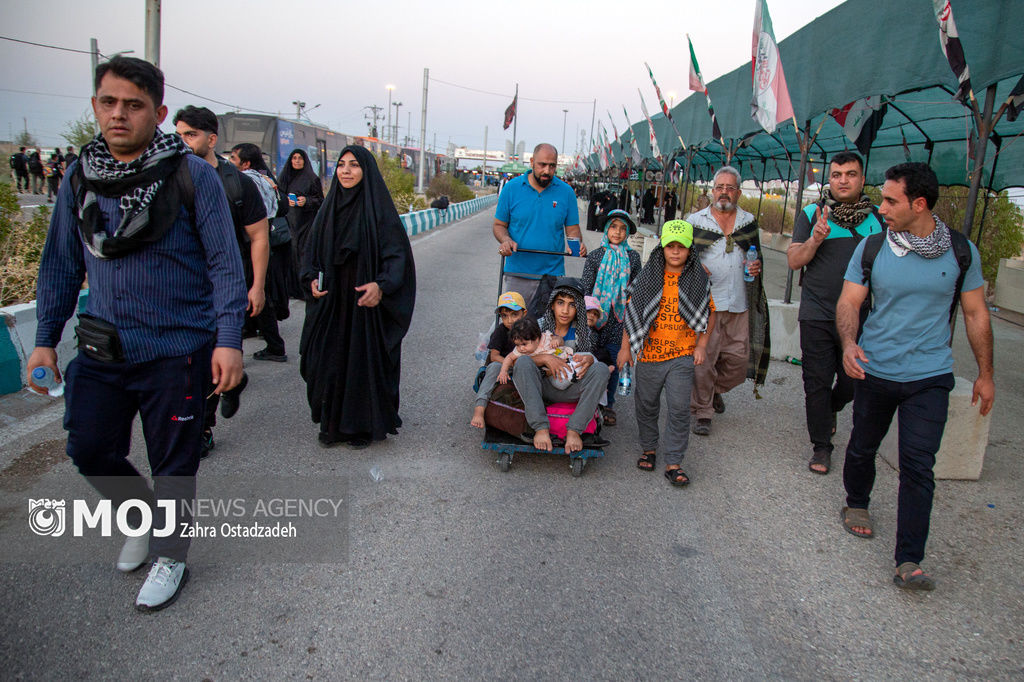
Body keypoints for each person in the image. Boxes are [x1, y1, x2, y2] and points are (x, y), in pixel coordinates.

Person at [28, 56, 246, 611]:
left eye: (134, 105)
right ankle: (142, 518)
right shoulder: (80, 177)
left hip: (178, 350)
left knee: (175, 463)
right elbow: (59, 263)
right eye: (108, 102)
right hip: (103, 347)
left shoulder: (191, 176)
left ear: (159, 112)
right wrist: (46, 337)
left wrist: (228, 341)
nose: (119, 115)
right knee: (89, 447)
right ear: (96, 106)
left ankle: (171, 556)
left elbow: (225, 263)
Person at [836, 162, 994, 591]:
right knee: (862, 445)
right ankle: (857, 501)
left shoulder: (961, 251)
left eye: (890, 200)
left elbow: (977, 313)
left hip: (930, 374)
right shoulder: (872, 248)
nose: (882, 207)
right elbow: (850, 303)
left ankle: (909, 559)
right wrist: (850, 345)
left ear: (919, 204)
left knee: (919, 465)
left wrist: (986, 374)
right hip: (875, 368)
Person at [300, 145, 416, 448]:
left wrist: (381, 286)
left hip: (365, 304)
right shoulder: (327, 212)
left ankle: (362, 426)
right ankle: (332, 425)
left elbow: (396, 256)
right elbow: (310, 255)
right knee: (328, 360)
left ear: (366, 171)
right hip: (332, 303)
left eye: (354, 165)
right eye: (341, 165)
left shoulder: (379, 213)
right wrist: (311, 279)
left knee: (362, 363)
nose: (346, 171)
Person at [173, 105, 269, 457]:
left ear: (211, 139)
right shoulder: (168, 178)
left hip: (225, 287)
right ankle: (233, 382)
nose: (183, 142)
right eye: (179, 134)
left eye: (191, 135)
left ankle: (203, 428)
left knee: (209, 362)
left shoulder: (236, 183)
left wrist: (257, 285)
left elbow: (259, 235)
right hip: (182, 290)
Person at [788, 151, 883, 474]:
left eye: (851, 174)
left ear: (861, 178)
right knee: (815, 380)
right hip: (816, 312)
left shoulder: (878, 219)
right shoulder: (813, 213)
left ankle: (832, 408)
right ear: (829, 179)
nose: (843, 180)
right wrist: (815, 240)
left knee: (852, 380)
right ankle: (821, 447)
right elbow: (794, 260)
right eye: (837, 174)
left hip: (861, 316)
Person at [619, 220, 715, 486]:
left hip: (681, 356)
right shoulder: (648, 277)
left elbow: (709, 314)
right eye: (670, 246)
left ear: (689, 250)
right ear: (661, 248)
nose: (675, 252)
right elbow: (632, 314)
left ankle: (674, 461)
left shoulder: (697, 279)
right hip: (649, 355)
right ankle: (649, 449)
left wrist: (702, 345)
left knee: (679, 409)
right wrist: (626, 348)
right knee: (647, 405)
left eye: (681, 247)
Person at [686, 165, 770, 436]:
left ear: (738, 192)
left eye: (730, 188)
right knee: (704, 360)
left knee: (737, 361)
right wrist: (694, 265)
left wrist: (756, 267)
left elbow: (756, 258)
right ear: (712, 191)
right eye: (720, 187)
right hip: (706, 303)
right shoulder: (695, 221)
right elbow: (679, 256)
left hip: (739, 302)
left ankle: (712, 391)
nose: (724, 192)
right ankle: (702, 411)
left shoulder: (748, 221)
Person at [511, 277, 608, 453]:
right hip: (542, 387)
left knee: (601, 369)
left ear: (578, 307)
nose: (565, 310)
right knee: (524, 362)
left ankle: (574, 431)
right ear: (552, 305)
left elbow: (591, 363)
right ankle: (540, 429)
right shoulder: (536, 326)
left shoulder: (583, 331)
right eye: (561, 303)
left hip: (572, 387)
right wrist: (545, 359)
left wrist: (591, 360)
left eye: (572, 305)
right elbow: (515, 361)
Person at [493, 143, 584, 305]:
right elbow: (499, 225)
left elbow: (573, 230)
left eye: (552, 166)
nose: (547, 171)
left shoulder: (566, 192)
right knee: (513, 325)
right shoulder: (512, 189)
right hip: (517, 273)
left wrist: (577, 245)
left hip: (551, 276)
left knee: (546, 328)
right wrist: (505, 240)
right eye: (542, 165)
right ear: (532, 162)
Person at [229, 142, 290, 362]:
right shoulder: (266, 179)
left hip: (250, 246)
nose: (230, 163)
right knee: (259, 295)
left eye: (234, 159)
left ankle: (236, 353)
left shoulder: (246, 182)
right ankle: (273, 344)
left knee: (241, 297)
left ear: (245, 163)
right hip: (264, 244)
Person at [581, 209, 641, 426]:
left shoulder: (633, 258)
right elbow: (586, 288)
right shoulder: (596, 256)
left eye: (623, 228)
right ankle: (588, 398)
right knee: (592, 357)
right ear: (606, 230)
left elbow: (636, 290)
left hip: (619, 319)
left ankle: (609, 405)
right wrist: (586, 315)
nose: (618, 232)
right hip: (595, 317)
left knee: (616, 361)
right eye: (614, 227)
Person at [470, 291, 530, 429]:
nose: (509, 320)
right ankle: (479, 408)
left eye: (514, 314)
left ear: (524, 313)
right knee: (494, 367)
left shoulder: (529, 330)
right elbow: (494, 356)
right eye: (504, 316)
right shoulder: (501, 331)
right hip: (503, 365)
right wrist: (509, 363)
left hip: (524, 366)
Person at [277, 148, 324, 291]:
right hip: (288, 221)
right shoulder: (285, 177)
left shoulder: (311, 178)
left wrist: (307, 201)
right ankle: (291, 288)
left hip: (305, 223)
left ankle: (303, 286)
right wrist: (286, 201)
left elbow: (321, 200)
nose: (297, 161)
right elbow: (278, 197)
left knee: (303, 254)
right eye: (294, 158)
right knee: (290, 254)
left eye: (300, 158)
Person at [498, 317, 574, 389]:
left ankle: (574, 370)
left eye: (524, 344)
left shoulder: (546, 338)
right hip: (554, 370)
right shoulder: (520, 351)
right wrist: (503, 371)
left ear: (537, 338)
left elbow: (560, 340)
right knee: (559, 383)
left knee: (580, 357)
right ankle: (572, 376)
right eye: (517, 345)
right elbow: (509, 357)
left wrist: (557, 340)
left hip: (567, 357)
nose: (521, 348)